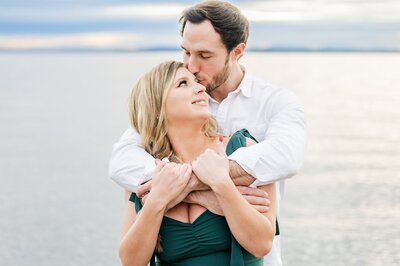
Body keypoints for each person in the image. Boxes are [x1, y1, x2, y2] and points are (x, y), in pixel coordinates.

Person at [110, 1, 307, 265]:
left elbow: (286, 157)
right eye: (186, 52)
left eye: (204, 55)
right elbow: (121, 161)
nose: (191, 66)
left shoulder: (275, 102)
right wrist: (202, 192)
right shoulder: (171, 110)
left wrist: (198, 183)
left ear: (237, 51)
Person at [119, 60, 277, 266]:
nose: (201, 87)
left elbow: (262, 244)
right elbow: (130, 262)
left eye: (196, 81)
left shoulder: (244, 150)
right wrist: (158, 199)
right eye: (183, 83)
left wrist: (221, 184)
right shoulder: (147, 172)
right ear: (157, 107)